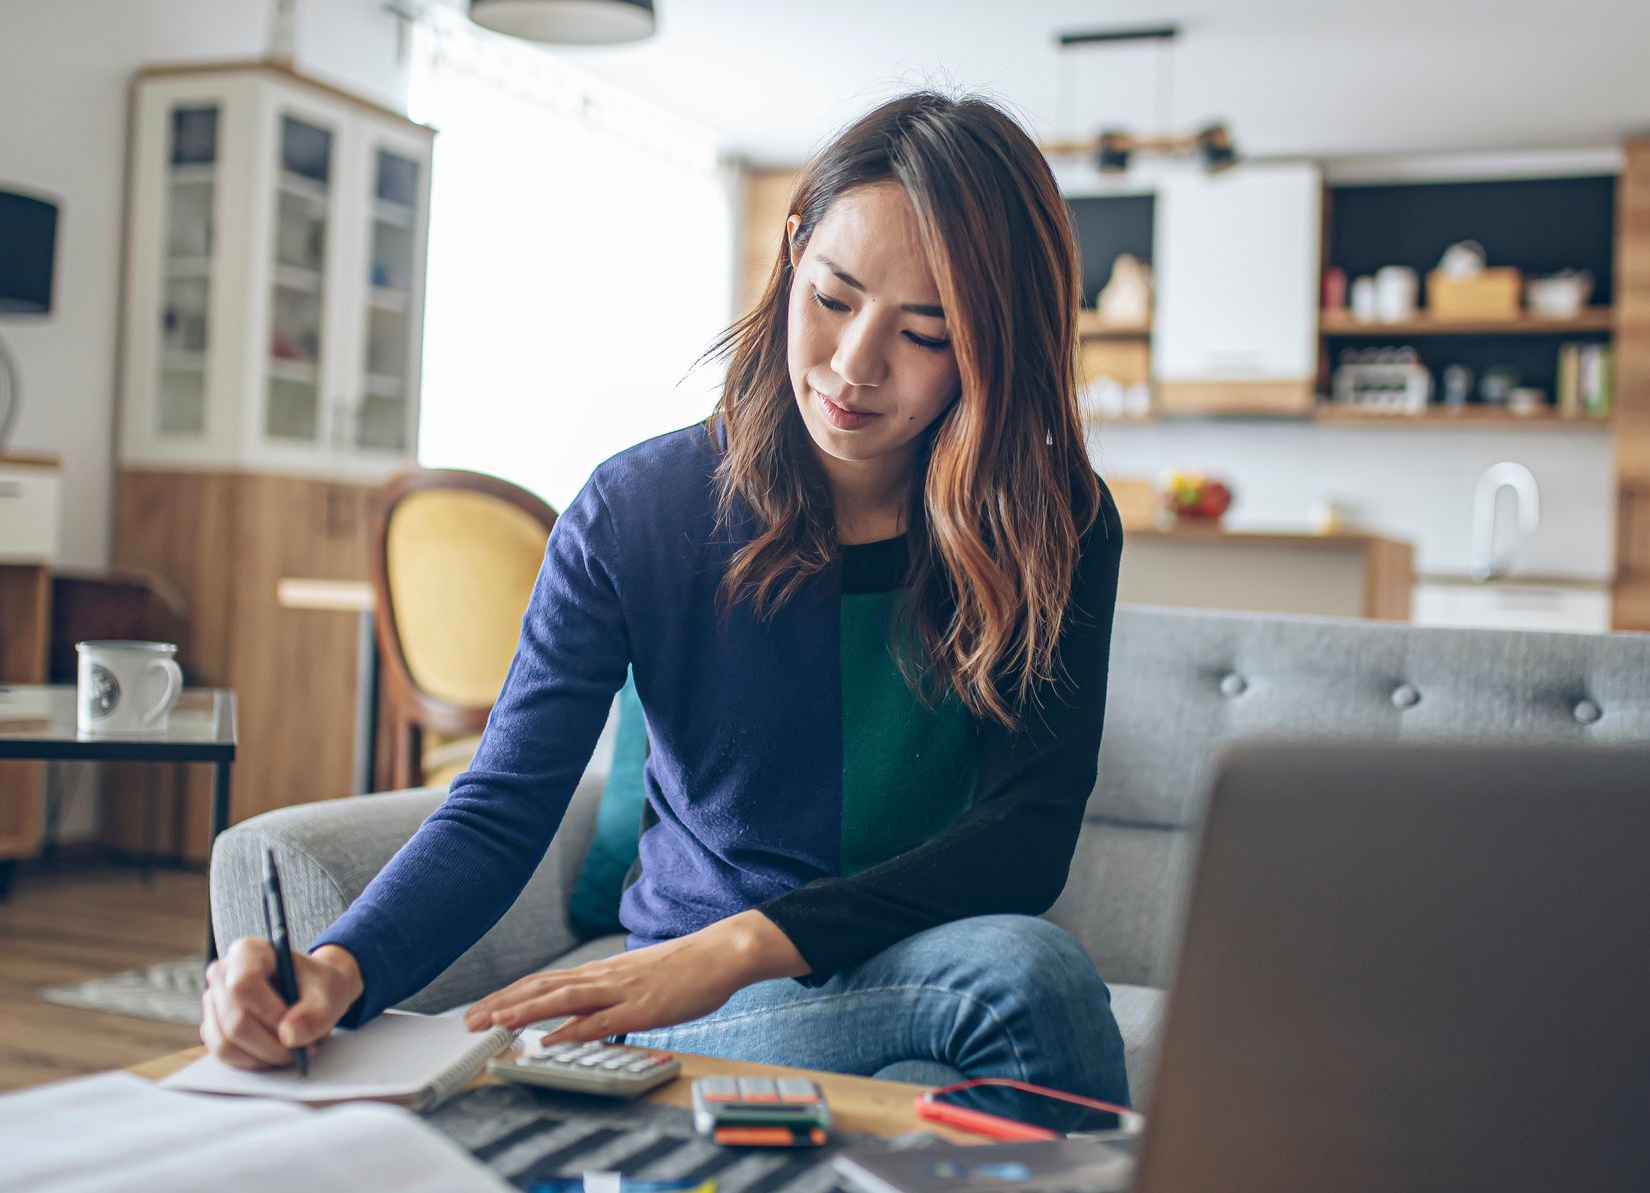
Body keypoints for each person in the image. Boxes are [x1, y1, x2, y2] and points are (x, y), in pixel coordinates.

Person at [201, 89, 1129, 1102]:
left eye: (927, 332)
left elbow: (1024, 840)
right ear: (791, 251)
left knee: (996, 993)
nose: (855, 366)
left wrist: (737, 943)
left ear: (998, 345)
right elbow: (502, 806)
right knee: (1022, 989)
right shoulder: (638, 510)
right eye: (833, 298)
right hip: (707, 999)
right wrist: (335, 969)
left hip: (899, 960)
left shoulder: (1053, 522)